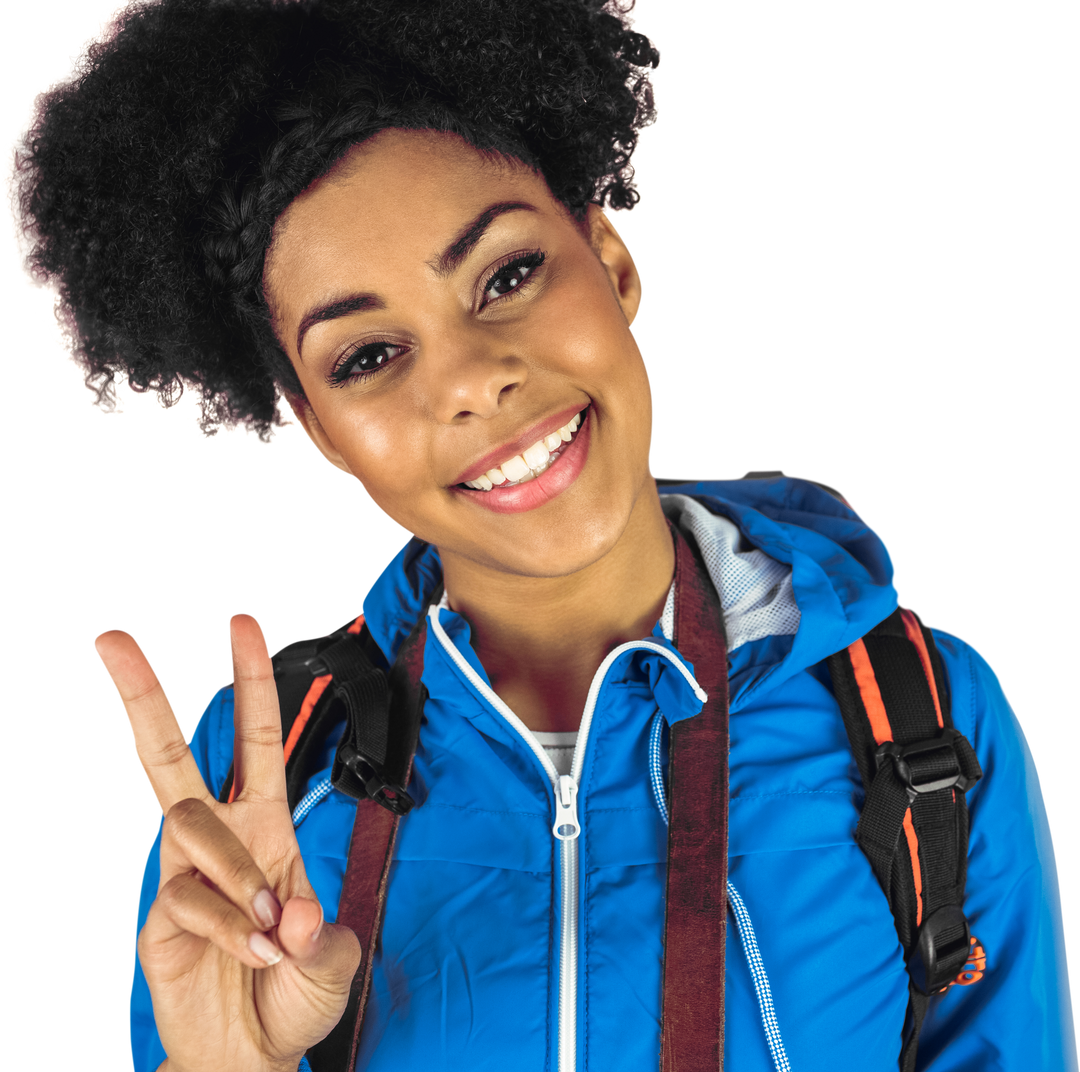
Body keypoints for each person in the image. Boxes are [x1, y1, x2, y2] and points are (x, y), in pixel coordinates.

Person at [5, 1, 1074, 1070]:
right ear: (324, 433)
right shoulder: (264, 774)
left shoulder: (922, 714)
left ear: (611, 262)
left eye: (507, 276)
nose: (472, 381)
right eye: (368, 355)